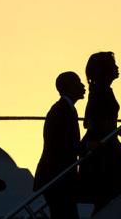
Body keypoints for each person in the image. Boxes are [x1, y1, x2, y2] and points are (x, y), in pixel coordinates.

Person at [79, 52, 121, 211]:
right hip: (104, 151)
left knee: (104, 200)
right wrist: (114, 130)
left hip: (106, 147)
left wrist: (116, 131)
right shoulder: (102, 91)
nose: (117, 68)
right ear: (105, 70)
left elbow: (90, 121)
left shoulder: (100, 90)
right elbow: (93, 122)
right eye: (113, 65)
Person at [34, 72, 85, 219]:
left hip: (58, 179)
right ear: (69, 87)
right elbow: (63, 145)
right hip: (56, 178)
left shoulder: (65, 109)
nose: (83, 86)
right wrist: (87, 146)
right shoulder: (61, 110)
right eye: (78, 82)